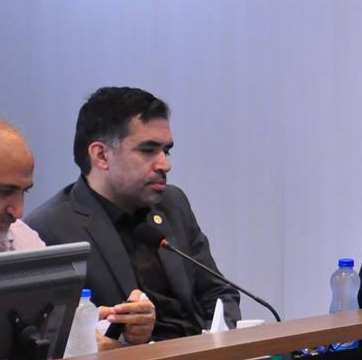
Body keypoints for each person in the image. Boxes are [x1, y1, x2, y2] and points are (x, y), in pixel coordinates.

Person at [26, 87, 239, 341]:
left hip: (197, 356)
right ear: (101, 155)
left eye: (166, 151)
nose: (165, 165)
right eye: (148, 150)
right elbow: (54, 336)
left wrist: (216, 345)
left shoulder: (173, 203)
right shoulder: (47, 230)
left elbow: (219, 294)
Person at [0, 113, 154, 347]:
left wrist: (123, 329)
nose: (18, 211)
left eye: (24, 191)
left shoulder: (21, 238)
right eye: (5, 191)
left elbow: (58, 331)